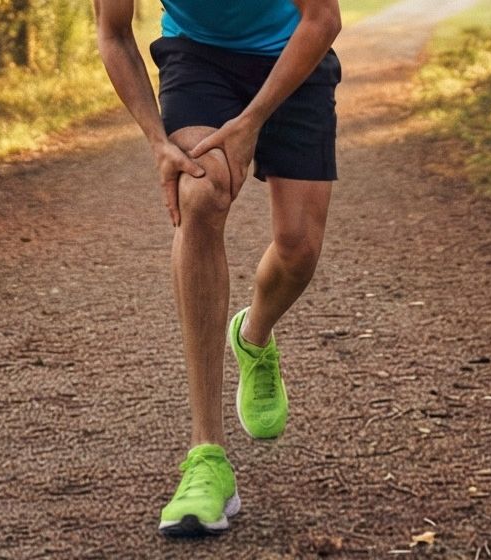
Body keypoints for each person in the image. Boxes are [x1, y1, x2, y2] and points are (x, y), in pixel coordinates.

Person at [93, 0, 342, 536]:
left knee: (298, 249)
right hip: (199, 59)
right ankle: (207, 457)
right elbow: (112, 33)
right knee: (200, 194)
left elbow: (323, 18)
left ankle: (253, 336)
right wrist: (158, 141)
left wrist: (251, 121)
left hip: (294, 52)